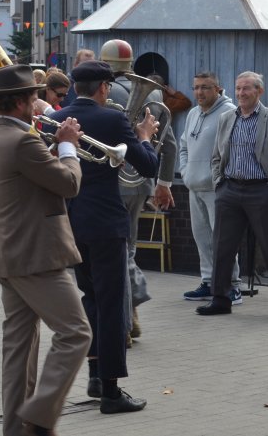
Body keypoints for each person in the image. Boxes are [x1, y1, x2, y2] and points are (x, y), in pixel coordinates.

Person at [0, 65, 91, 436]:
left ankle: (15, 429)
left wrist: (52, 142)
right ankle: (39, 419)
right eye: (34, 96)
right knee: (76, 333)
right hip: (36, 254)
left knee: (19, 351)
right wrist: (69, 145)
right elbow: (68, 183)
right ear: (23, 102)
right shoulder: (22, 141)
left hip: (8, 253)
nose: (39, 102)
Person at [49, 59, 158, 414]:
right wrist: (144, 137)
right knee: (112, 305)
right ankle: (111, 391)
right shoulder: (113, 120)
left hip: (73, 222)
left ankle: (96, 375)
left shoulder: (58, 117)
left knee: (91, 299)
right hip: (108, 225)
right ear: (103, 88)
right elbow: (147, 166)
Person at [197, 71, 268, 320]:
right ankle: (220, 299)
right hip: (229, 189)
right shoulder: (226, 118)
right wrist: (219, 183)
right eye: (238, 88)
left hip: (261, 191)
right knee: (222, 247)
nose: (241, 93)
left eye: (247, 89)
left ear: (259, 91)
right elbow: (217, 156)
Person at [99, 39, 176, 343]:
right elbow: (168, 144)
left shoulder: (105, 92)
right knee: (128, 249)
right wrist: (164, 183)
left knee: (118, 253)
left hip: (115, 180)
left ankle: (129, 313)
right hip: (141, 182)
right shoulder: (155, 93)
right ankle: (130, 315)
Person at [178, 71, 240, 302]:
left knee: (223, 239)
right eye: (196, 87)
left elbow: (235, 149)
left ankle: (232, 285)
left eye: (205, 87)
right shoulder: (193, 113)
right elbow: (184, 145)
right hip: (194, 186)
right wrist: (185, 172)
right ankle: (208, 281)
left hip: (218, 189)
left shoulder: (230, 113)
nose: (199, 92)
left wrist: (220, 179)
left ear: (218, 89)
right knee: (202, 239)